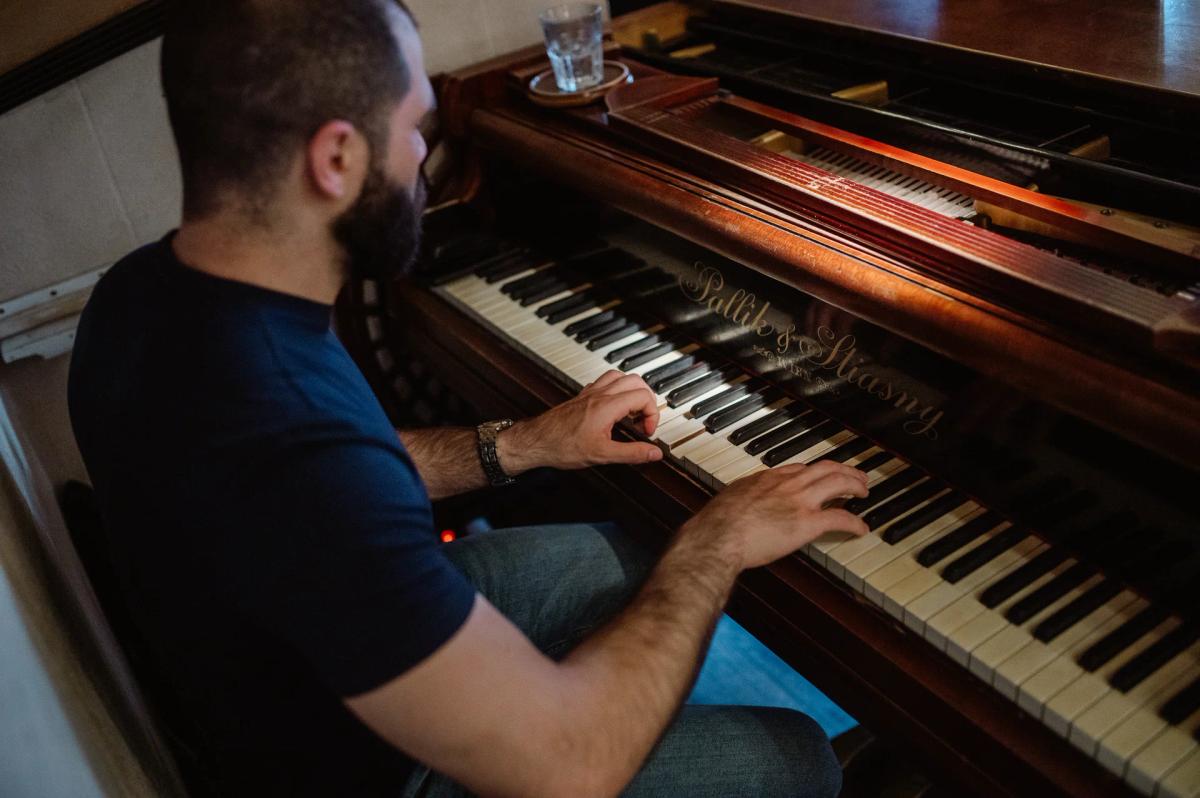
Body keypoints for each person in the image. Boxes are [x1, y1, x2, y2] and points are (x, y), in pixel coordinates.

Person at [67, 1, 871, 795]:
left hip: (308, 645)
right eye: (414, 123)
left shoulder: (143, 294)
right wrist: (719, 542)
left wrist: (520, 444)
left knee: (646, 547)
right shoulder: (283, 431)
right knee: (793, 754)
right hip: (368, 770)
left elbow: (341, 484)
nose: (423, 150)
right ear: (336, 159)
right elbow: (568, 767)